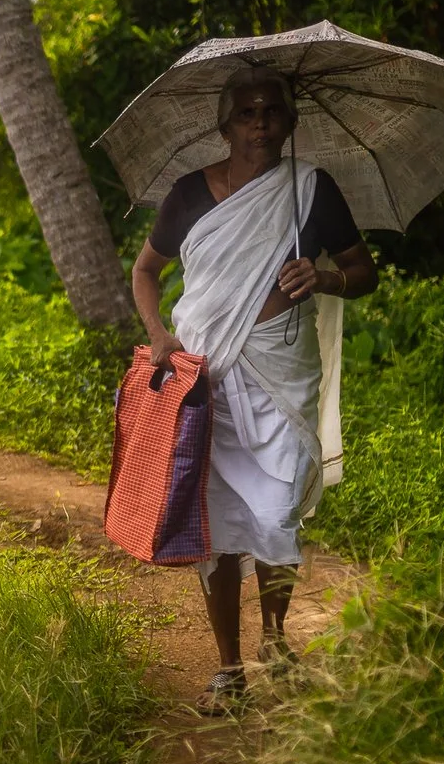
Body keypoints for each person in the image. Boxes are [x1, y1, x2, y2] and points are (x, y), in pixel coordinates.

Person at [128, 67, 378, 711]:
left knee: (276, 513)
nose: (260, 122)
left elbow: (361, 272)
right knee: (215, 524)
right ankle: (229, 666)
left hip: (281, 376)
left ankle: (275, 638)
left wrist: (321, 280)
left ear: (291, 123)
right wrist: (158, 335)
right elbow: (146, 271)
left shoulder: (312, 191)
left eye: (272, 112)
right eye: (246, 112)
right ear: (226, 124)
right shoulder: (189, 194)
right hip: (206, 379)